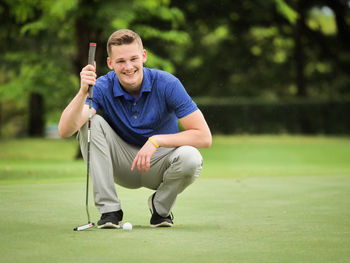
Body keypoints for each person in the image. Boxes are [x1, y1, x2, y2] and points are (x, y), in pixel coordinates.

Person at [58, 29, 212, 229]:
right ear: (110, 64)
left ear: (144, 56)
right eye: (121, 61)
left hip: (160, 163)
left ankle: (160, 208)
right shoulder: (102, 85)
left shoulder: (167, 83)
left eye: (133, 59)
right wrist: (82, 92)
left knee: (191, 157)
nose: (128, 67)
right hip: (121, 164)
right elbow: (65, 130)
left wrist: (156, 140)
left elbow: (204, 137)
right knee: (90, 123)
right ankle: (109, 211)